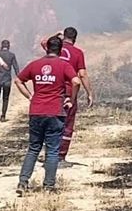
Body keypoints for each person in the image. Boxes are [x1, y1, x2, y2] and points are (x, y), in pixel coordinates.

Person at [14, 36, 79, 195]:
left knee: (33, 148)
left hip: (36, 111)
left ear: (47, 48)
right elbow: (76, 81)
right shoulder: (64, 65)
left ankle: (22, 183)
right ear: (61, 49)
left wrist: (30, 96)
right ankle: (49, 187)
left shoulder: (35, 64)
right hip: (55, 112)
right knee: (52, 151)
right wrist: (71, 99)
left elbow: (18, 80)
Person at [40, 27, 94, 167]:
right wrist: (89, 93)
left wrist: (56, 35)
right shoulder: (77, 53)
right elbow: (82, 74)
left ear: (64, 37)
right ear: (75, 38)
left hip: (51, 90)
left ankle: (49, 154)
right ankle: (60, 157)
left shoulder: (54, 47)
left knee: (51, 123)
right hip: (68, 92)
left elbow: (43, 42)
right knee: (67, 124)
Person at [0, 39, 20, 122]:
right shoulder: (11, 55)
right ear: (8, 46)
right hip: (7, 79)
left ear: (2, 46)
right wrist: (20, 78)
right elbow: (16, 67)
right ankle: (3, 115)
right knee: (5, 98)